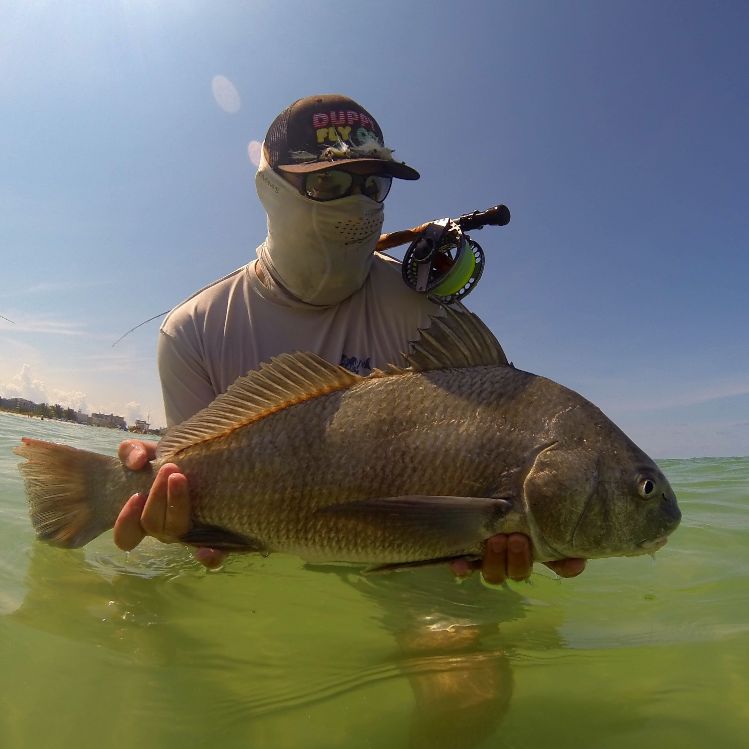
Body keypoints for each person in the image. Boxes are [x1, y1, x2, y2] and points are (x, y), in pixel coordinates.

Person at [114, 93, 586, 585]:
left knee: (462, 653)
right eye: (330, 181)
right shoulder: (194, 330)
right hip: (270, 566)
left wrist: (547, 521)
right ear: (270, 188)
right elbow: (196, 491)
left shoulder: (430, 312)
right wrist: (174, 510)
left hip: (411, 572)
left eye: (373, 185)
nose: (358, 204)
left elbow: (496, 438)